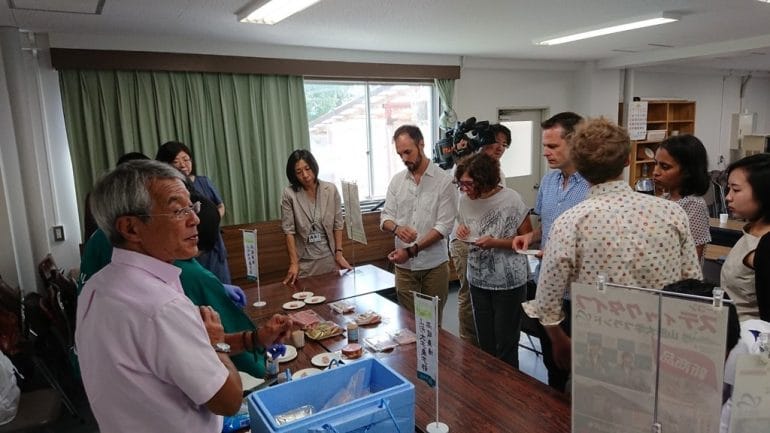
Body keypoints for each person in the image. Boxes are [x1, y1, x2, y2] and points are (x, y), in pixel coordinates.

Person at [76, 160, 290, 432]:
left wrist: (256, 338)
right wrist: (217, 348)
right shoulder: (160, 307)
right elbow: (228, 401)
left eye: (192, 206)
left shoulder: (97, 285)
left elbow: (181, 353)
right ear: (131, 228)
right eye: (178, 210)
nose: (195, 219)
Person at [522, 117, 702, 372]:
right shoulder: (672, 213)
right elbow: (691, 283)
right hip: (659, 338)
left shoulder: (571, 221)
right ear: (628, 160)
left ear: (580, 165)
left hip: (596, 341)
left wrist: (559, 341)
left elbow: (547, 297)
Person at [512, 111, 587, 391]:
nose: (545, 153)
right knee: (552, 365)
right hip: (548, 289)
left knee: (581, 371)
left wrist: (561, 253)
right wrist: (530, 237)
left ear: (576, 143)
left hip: (580, 293)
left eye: (553, 146)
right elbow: (547, 227)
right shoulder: (548, 182)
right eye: (544, 146)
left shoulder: (594, 185)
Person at [454, 153, 531, 367]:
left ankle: (508, 394)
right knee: (485, 345)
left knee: (506, 346)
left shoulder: (511, 199)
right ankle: (491, 394)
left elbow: (526, 240)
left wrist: (495, 242)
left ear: (484, 179)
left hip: (508, 283)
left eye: (468, 184)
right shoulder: (464, 200)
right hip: (478, 280)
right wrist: (460, 229)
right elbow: (465, 226)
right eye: (461, 184)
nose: (464, 189)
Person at [381, 125, 457, 324]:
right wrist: (397, 229)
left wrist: (412, 250)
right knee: (408, 326)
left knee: (431, 328)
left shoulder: (444, 181)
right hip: (404, 269)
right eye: (400, 154)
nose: (405, 159)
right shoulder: (397, 181)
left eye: (408, 152)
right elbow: (385, 217)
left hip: (434, 268)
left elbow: (443, 227)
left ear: (421, 144)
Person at [449, 123, 511, 346]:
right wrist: (457, 224)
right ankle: (469, 343)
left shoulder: (499, 173)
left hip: (490, 241)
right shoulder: (463, 168)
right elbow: (450, 205)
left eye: (505, 144)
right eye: (496, 142)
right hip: (465, 241)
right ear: (483, 142)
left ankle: (487, 343)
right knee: (469, 294)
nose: (500, 148)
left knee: (489, 294)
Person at [157, 141, 232, 284]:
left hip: (211, 241)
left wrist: (211, 220)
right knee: (199, 282)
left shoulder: (203, 181)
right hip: (189, 247)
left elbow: (220, 205)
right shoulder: (168, 188)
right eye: (176, 161)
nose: (183, 165)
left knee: (220, 282)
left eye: (186, 159)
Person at [280, 149, 352, 285]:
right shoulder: (289, 194)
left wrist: (339, 253)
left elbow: (338, 224)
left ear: (313, 166)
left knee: (333, 298)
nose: (305, 175)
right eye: (299, 172)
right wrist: (294, 263)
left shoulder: (330, 190)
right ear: (293, 175)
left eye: (307, 169)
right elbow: (288, 231)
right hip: (305, 262)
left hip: (329, 259)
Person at [720, 153, 770, 321]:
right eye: (729, 189)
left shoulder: (765, 244)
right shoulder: (752, 229)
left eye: (736, 189)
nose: (728, 197)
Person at [653, 134, 712, 262]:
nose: (656, 172)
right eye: (655, 164)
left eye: (665, 167)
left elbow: (694, 256)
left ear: (687, 171)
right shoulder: (664, 199)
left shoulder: (694, 205)